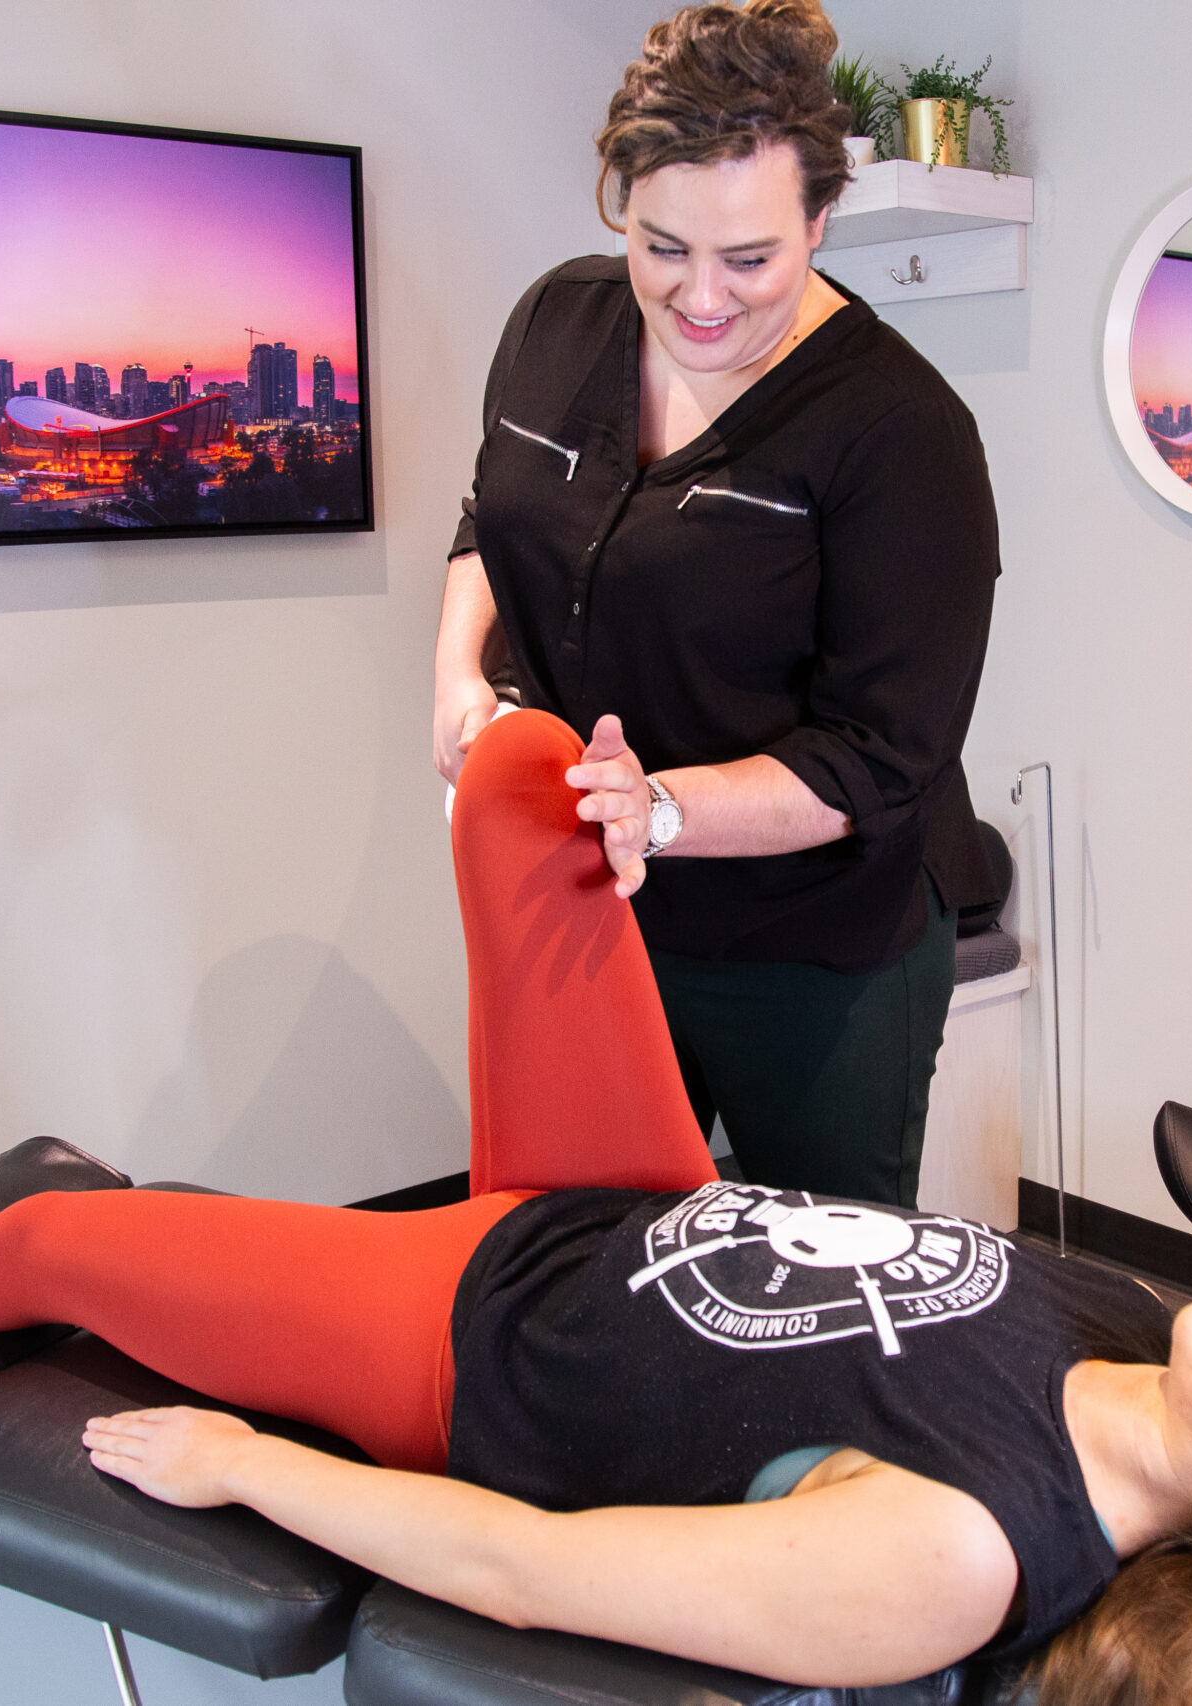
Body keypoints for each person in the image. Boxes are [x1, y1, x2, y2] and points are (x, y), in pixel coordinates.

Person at [0, 710, 1192, 1706]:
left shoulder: (960, 1555)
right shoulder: (1119, 1321)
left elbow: (520, 1572)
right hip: (624, 1189)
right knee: (521, 772)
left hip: (458, 1334)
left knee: (59, 1248)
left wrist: (249, 1460)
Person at [435, 0, 1001, 1207]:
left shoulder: (901, 436)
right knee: (582, 1254)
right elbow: (497, 508)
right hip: (590, 904)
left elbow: (878, 757)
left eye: (749, 258)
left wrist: (665, 813)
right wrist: (457, 671)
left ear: (822, 217)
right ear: (620, 207)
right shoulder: (554, 321)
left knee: (814, 1286)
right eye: (661, 247)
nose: (699, 298)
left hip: (816, 948)